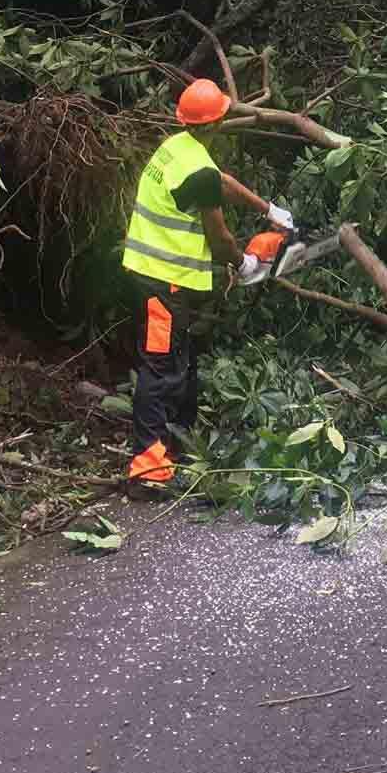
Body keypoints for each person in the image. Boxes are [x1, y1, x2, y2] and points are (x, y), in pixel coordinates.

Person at [120, 78, 294, 489]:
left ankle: (177, 444)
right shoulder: (194, 165)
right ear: (217, 121)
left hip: (162, 279)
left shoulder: (177, 148)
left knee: (179, 361)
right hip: (163, 282)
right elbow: (220, 240)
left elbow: (220, 181)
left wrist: (269, 210)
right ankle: (147, 466)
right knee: (158, 367)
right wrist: (246, 263)